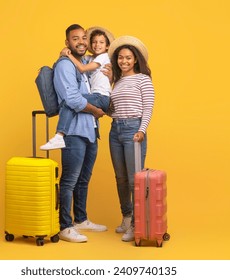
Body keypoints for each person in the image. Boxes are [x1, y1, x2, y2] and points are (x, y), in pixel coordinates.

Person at [54, 24, 108, 243]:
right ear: (67, 43)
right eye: (75, 39)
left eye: (84, 38)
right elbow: (72, 99)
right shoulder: (65, 66)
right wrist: (96, 110)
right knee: (70, 180)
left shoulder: (85, 62)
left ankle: (81, 219)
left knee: (84, 179)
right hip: (75, 131)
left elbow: (99, 63)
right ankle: (65, 226)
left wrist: (111, 71)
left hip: (90, 130)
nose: (82, 42)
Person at [107, 36, 155, 242]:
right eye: (120, 58)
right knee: (121, 178)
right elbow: (112, 110)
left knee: (134, 179)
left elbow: (148, 107)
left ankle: (136, 223)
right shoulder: (116, 82)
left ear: (135, 60)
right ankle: (126, 217)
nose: (123, 61)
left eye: (128, 58)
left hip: (133, 130)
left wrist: (142, 130)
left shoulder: (143, 79)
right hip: (115, 129)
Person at [40, 26, 114, 150]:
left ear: (107, 46)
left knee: (69, 101)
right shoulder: (89, 59)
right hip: (80, 130)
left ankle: (59, 135)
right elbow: (80, 61)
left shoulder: (103, 57)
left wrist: (69, 55)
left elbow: (82, 68)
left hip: (100, 99)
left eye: (101, 42)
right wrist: (64, 53)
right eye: (94, 42)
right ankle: (60, 135)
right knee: (71, 100)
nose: (97, 45)